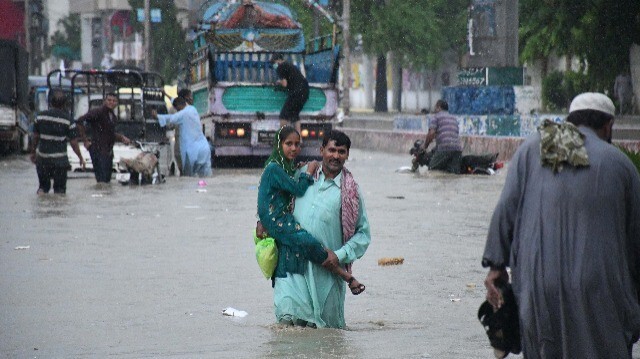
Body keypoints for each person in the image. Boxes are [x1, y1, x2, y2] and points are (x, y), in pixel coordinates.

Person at [482, 92, 640, 358]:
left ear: (570, 120)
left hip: (536, 285)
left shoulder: (531, 150)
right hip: (599, 289)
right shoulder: (621, 164)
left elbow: (505, 211)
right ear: (608, 125)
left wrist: (496, 267)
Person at [261, 128, 371, 328]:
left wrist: (339, 255)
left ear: (347, 155)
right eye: (331, 150)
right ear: (321, 150)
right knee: (286, 327)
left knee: (326, 335)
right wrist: (261, 221)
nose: (335, 156)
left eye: (341, 152)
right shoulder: (302, 173)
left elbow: (363, 235)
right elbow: (273, 196)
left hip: (325, 276)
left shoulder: (351, 193)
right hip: (291, 268)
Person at [30, 90, 85, 194]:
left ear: (50, 102)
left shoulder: (40, 117)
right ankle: (58, 210)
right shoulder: (68, 120)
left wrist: (33, 152)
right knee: (60, 190)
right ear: (65, 104)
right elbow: (74, 143)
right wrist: (80, 157)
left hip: (43, 159)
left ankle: (40, 207)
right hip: (60, 162)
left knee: (42, 187)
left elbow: (35, 137)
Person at [76, 92, 131, 184]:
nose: (111, 102)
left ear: (117, 103)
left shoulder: (112, 116)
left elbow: (109, 133)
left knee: (106, 181)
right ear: (104, 101)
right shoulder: (97, 112)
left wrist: (121, 138)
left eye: (114, 101)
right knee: (102, 180)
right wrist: (85, 141)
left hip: (108, 152)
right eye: (109, 100)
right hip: (98, 150)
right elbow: (79, 121)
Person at [152, 97, 211, 177]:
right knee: (206, 178)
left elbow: (171, 118)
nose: (177, 111)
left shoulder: (182, 114)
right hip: (204, 148)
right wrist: (167, 95)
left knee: (188, 179)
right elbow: (178, 101)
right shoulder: (193, 109)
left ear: (179, 107)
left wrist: (157, 116)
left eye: (177, 109)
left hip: (191, 152)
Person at [415, 99, 462, 173]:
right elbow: (451, 134)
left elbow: (431, 134)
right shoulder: (453, 118)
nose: (434, 109)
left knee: (432, 170)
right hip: (458, 150)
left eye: (435, 107)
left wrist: (424, 146)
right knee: (454, 174)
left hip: (445, 148)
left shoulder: (436, 117)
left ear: (439, 107)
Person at [270, 53, 309, 135]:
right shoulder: (290, 65)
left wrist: (278, 82)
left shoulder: (281, 67)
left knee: (283, 115)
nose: (274, 65)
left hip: (296, 93)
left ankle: (283, 139)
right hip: (305, 92)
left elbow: (284, 84)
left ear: (278, 60)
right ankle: (299, 140)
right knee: (295, 115)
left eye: (274, 62)